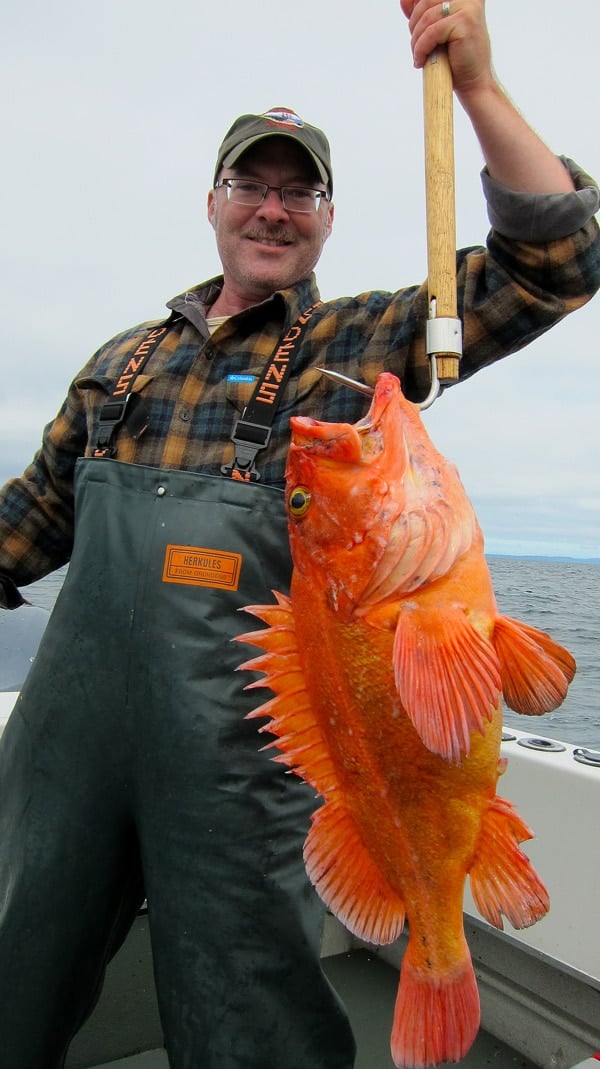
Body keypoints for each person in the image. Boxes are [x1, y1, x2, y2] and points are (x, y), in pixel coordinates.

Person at [0, 2, 599, 1067]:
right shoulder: (118, 362)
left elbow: (554, 262)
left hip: (238, 771)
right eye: (252, 185)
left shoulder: (352, 340)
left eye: (299, 191)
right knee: (12, 964)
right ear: (216, 201)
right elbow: (29, 523)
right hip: (64, 766)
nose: (273, 209)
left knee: (250, 1016)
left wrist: (476, 86)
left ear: (325, 214)